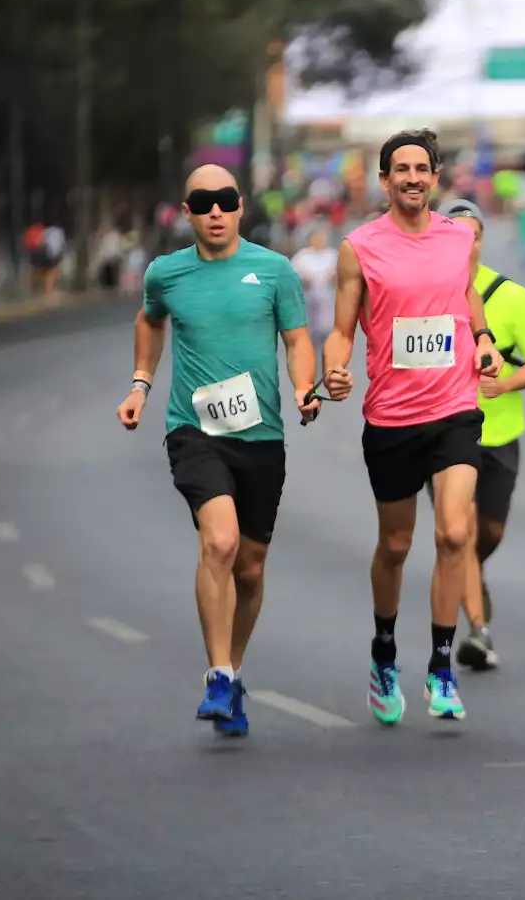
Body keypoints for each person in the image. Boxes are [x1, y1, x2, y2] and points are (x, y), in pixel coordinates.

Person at [116, 165, 320, 737]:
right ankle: (219, 675)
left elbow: (297, 340)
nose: (215, 211)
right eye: (203, 202)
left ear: (239, 207)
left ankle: (235, 669)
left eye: (225, 200)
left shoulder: (274, 270)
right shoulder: (166, 273)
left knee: (250, 569)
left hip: (261, 436)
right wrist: (140, 384)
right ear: (186, 212)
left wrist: (304, 387)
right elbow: (149, 321)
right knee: (220, 542)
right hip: (195, 432)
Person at [320, 128, 504, 724]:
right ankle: (384, 653)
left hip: (454, 408)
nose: (413, 178)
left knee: (454, 534)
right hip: (392, 416)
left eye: (422, 169)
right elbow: (342, 331)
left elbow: (467, 295)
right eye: (401, 169)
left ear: (436, 176)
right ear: (385, 180)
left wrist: (483, 339)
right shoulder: (360, 247)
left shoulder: (458, 238)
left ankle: (442, 667)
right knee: (396, 545)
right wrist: (335, 369)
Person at [435, 198, 525, 672]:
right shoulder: (423, 292)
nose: (464, 245)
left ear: (482, 241)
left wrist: (505, 384)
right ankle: (478, 631)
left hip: (500, 433)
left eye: (473, 236)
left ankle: (473, 573)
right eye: (454, 235)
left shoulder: (511, 296)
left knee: (490, 531)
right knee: (460, 531)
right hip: (444, 433)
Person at [290, 227, 340, 337]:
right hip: (308, 299)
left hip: (328, 299)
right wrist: (303, 279)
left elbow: (342, 273)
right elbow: (292, 275)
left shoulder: (333, 255)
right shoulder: (302, 256)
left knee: (327, 329)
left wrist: (335, 275)